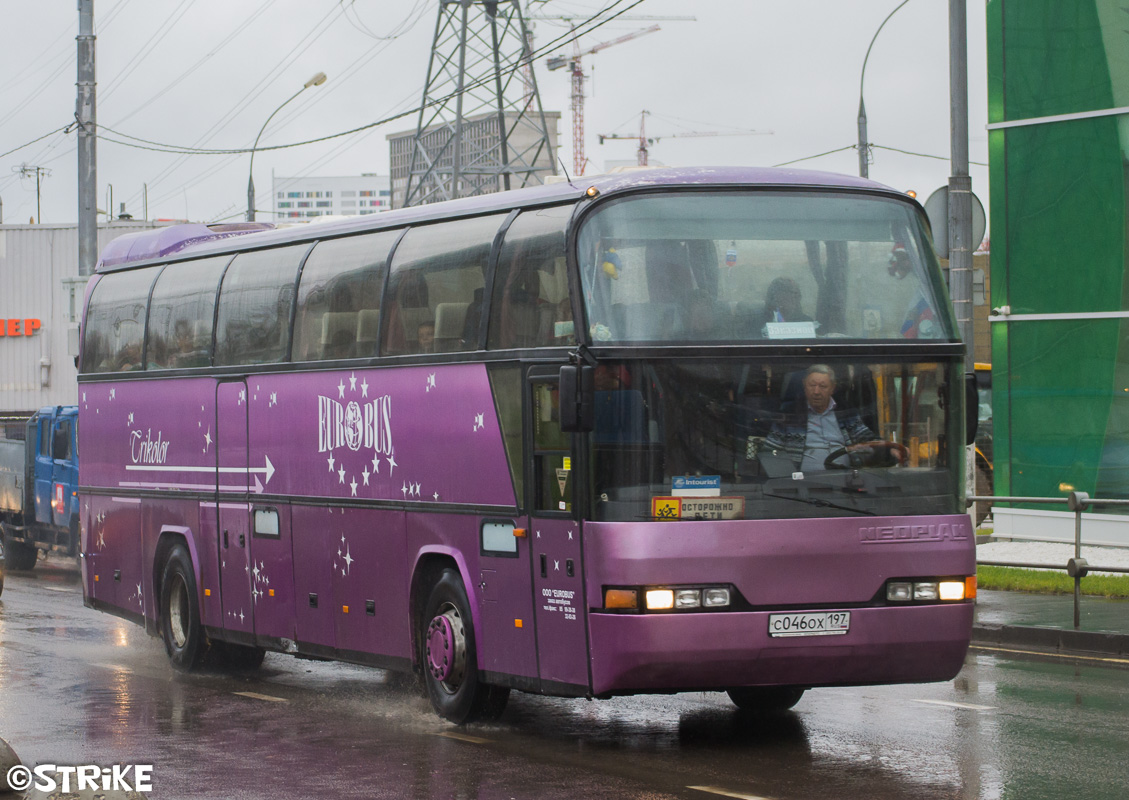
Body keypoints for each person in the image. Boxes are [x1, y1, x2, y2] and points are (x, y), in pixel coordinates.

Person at [766, 364, 878, 472]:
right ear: (804, 385)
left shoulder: (845, 413)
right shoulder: (789, 414)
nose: (816, 392)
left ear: (832, 388)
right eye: (812, 385)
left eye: (823, 386)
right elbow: (770, 451)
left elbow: (866, 439)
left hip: (845, 482)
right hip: (801, 485)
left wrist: (885, 449)